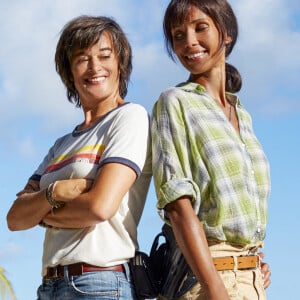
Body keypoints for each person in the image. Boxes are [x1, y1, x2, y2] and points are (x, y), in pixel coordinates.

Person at [6, 15, 151, 300]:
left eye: (104, 55)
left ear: (120, 64)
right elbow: (15, 218)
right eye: (82, 58)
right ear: (69, 72)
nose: (95, 67)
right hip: (50, 287)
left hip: (100, 282)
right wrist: (56, 191)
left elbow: (98, 207)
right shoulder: (61, 144)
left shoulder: (129, 118)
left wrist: (42, 216)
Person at [151, 0, 271, 299]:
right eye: (178, 36)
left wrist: (251, 263)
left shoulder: (241, 113)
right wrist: (215, 287)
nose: (189, 42)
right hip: (206, 284)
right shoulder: (175, 101)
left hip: (250, 282)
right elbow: (178, 206)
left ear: (227, 32)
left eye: (200, 27)